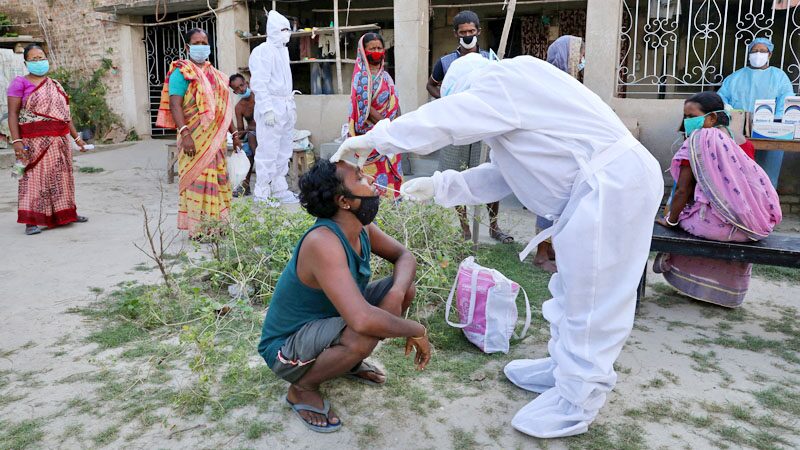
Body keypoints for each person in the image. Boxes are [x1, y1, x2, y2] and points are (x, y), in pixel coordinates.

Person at [331, 53, 663, 438]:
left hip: (613, 187)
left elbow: (446, 122)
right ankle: (562, 370)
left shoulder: (506, 78)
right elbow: (505, 175)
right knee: (573, 290)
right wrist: (441, 186)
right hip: (595, 190)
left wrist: (376, 139)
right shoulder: (514, 104)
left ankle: (576, 403)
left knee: (593, 302)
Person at [258, 159, 432, 433]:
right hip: (286, 347)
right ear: (344, 201)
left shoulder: (360, 229)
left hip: (331, 322)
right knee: (362, 331)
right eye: (361, 179)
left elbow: (404, 256)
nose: (372, 180)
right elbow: (362, 320)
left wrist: (396, 294)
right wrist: (417, 329)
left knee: (404, 288)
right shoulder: (323, 242)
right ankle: (302, 388)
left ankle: (345, 362)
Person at [654, 92, 781, 307]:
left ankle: (682, 276)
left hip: (718, 224)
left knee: (678, 216)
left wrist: (671, 220)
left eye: (691, 116)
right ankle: (726, 293)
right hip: (747, 221)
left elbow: (683, 191)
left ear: (711, 118)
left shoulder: (698, 141)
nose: (686, 122)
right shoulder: (741, 142)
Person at [426, 10, 512, 243]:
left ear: (479, 32)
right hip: (455, 131)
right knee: (456, 176)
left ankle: (494, 226)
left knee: (490, 176)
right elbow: (431, 85)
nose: (467, 36)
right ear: (456, 34)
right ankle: (464, 228)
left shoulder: (490, 60)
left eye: (471, 32)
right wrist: (445, 100)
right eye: (463, 32)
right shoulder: (445, 62)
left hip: (484, 130)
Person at [156, 28, 239, 237]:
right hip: (193, 138)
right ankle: (199, 229)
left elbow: (224, 108)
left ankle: (219, 226)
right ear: (187, 47)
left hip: (216, 141)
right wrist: (185, 134)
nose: (201, 46)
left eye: (204, 42)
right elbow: (175, 104)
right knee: (197, 182)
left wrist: (235, 135)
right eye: (197, 42)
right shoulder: (181, 72)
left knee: (219, 180)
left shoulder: (218, 76)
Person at [7, 44, 89, 236]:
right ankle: (32, 221)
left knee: (62, 177)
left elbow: (64, 116)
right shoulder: (19, 83)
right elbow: (12, 114)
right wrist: (16, 141)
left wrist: (77, 138)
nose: (39, 61)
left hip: (59, 141)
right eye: (34, 59)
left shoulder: (55, 84)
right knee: (34, 178)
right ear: (26, 62)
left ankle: (66, 213)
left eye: (41, 57)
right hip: (32, 141)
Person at [532, 35, 587, 273]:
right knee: (550, 200)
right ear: (570, 55)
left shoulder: (567, 82)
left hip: (565, 151)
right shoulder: (550, 83)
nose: (584, 59)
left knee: (563, 200)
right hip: (550, 151)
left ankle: (552, 247)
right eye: (581, 54)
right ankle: (541, 254)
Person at [717, 37, 796, 188]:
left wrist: (773, 121)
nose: (758, 54)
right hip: (740, 131)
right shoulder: (735, 77)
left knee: (766, 178)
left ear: (770, 54)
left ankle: (766, 208)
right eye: (754, 51)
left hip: (771, 131)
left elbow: (786, 101)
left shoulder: (779, 77)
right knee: (738, 176)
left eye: (762, 51)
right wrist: (731, 112)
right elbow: (721, 99)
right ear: (749, 54)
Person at [249, 10, 299, 205]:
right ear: (273, 30)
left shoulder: (283, 50)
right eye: (283, 29)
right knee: (268, 150)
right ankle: (262, 193)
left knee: (284, 149)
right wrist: (267, 109)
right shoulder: (263, 51)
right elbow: (259, 84)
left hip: (286, 105)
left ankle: (279, 188)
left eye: (288, 29)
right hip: (271, 105)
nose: (287, 33)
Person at [348, 32, 403, 198]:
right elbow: (365, 110)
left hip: (390, 135)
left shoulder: (385, 76)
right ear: (364, 51)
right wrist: (387, 127)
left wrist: (398, 126)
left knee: (392, 186)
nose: (377, 51)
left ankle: (393, 217)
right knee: (373, 187)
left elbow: (395, 103)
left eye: (379, 48)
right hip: (373, 138)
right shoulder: (361, 78)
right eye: (372, 48)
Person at [229, 73, 257, 196]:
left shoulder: (260, 97)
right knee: (246, 148)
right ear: (235, 92)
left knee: (251, 140)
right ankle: (245, 185)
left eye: (242, 85)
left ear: (246, 83)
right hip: (252, 134)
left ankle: (247, 185)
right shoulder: (239, 107)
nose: (241, 89)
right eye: (237, 89)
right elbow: (240, 130)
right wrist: (235, 138)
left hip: (268, 133)